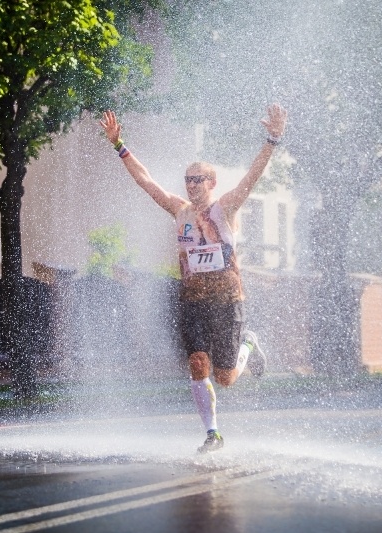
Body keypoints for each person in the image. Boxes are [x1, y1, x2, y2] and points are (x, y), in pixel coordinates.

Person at [100, 104, 287, 452]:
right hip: (193, 301)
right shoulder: (179, 210)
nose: (190, 185)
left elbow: (253, 176)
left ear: (212, 183)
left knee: (226, 378)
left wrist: (272, 138)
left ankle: (249, 343)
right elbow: (145, 180)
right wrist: (119, 144)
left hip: (228, 300)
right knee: (197, 363)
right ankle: (212, 434)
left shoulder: (225, 207)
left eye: (197, 179)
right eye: (187, 179)